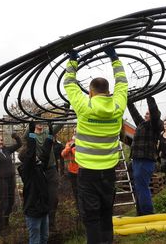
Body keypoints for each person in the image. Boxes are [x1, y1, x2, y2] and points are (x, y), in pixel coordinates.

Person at [64, 46, 128, 243]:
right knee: (106, 212)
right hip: (109, 170)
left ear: (90, 93)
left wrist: (73, 60)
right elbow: (122, 83)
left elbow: (69, 83)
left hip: (87, 172)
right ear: (108, 92)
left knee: (91, 216)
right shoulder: (118, 106)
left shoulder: (84, 106)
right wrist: (114, 57)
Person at [24, 122, 64, 231]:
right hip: (38, 170)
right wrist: (31, 122)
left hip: (51, 169)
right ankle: (39, 223)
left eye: (41, 121)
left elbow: (59, 125)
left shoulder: (47, 132)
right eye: (37, 122)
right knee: (39, 197)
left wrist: (65, 112)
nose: (40, 124)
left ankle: (51, 223)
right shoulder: (31, 134)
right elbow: (25, 135)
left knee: (53, 197)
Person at [126, 96, 163, 215]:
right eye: (145, 114)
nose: (146, 115)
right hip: (137, 159)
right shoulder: (141, 124)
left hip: (145, 160)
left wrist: (149, 97)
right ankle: (140, 213)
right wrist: (129, 101)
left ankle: (148, 213)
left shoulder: (156, 125)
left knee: (142, 186)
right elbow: (134, 113)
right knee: (138, 187)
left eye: (148, 113)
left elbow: (154, 112)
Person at [18, 122, 53, 244]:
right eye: (33, 156)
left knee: (44, 237)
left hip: (43, 208)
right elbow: (32, 153)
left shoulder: (39, 166)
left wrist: (51, 133)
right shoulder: (27, 170)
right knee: (35, 239)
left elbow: (46, 153)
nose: (36, 156)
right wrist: (31, 133)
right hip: (33, 210)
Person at [61, 128, 79, 210]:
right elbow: (63, 154)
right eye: (74, 132)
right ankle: (79, 210)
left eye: (77, 132)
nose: (75, 133)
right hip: (73, 172)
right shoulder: (70, 143)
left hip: (84, 171)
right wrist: (70, 147)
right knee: (76, 193)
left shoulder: (85, 143)